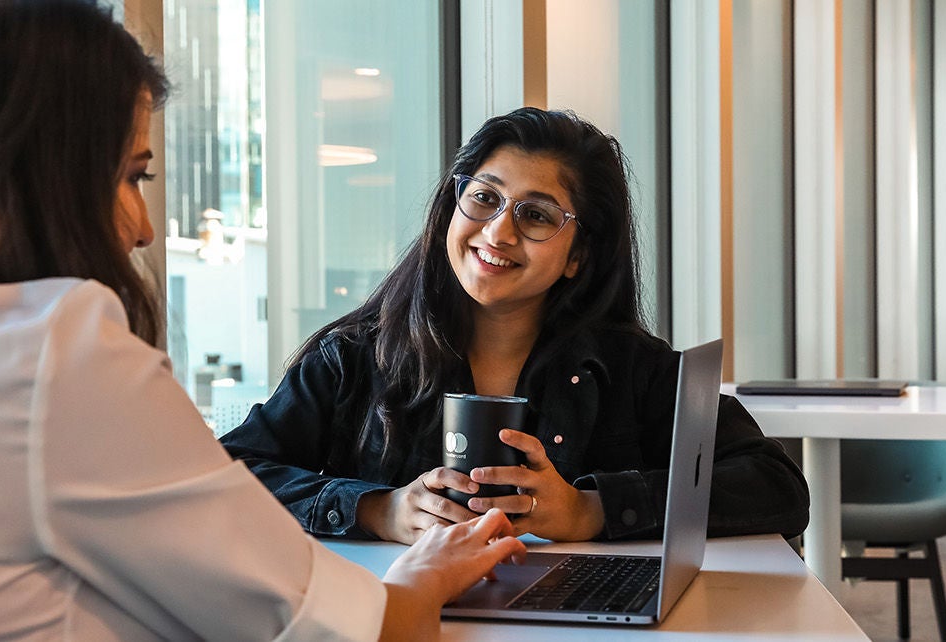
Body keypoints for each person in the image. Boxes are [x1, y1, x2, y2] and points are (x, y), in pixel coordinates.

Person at [0, 1, 523, 640]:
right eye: (133, 176)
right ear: (40, 175)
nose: (143, 229)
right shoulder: (46, 349)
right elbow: (343, 628)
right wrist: (423, 570)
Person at [220, 107, 810, 546]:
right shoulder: (354, 357)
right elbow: (229, 474)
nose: (498, 233)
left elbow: (777, 485)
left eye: (536, 215)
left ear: (578, 255)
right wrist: (376, 509)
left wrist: (591, 510)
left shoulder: (634, 368)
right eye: (484, 198)